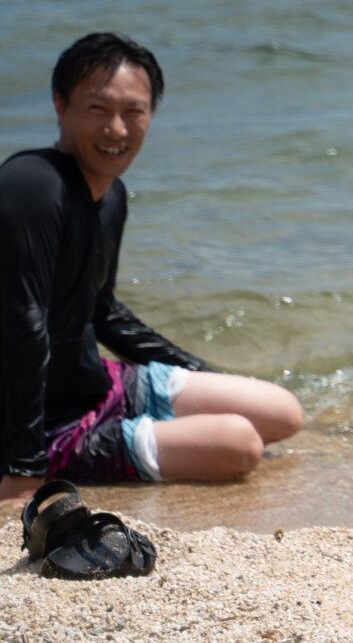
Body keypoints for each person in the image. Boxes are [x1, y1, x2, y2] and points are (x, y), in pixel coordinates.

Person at [1, 35, 304, 501]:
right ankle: (58, 457)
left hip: (98, 386)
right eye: (98, 109)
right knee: (240, 444)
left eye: (133, 112)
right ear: (61, 106)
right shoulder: (33, 184)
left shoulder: (111, 196)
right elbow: (23, 321)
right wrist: (25, 465)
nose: (116, 129)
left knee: (282, 412)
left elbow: (102, 310)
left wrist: (199, 373)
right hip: (45, 425)